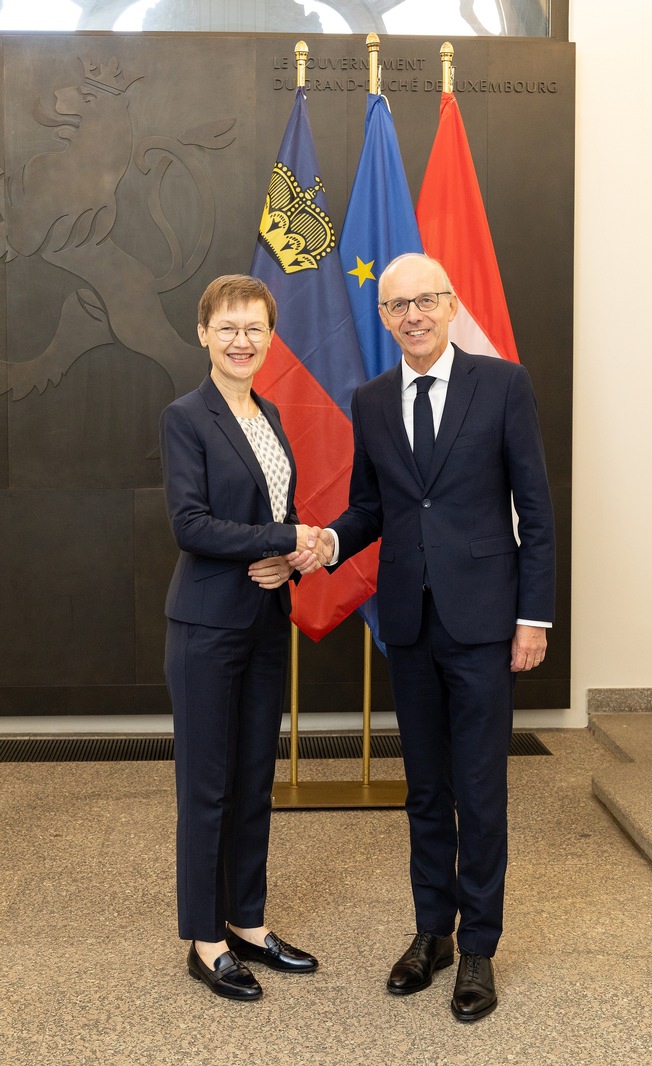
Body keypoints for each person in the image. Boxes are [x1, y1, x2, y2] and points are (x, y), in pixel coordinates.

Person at [293, 253, 555, 1022]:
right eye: (397, 304)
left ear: (449, 304)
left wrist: (532, 618)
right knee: (426, 791)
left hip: (485, 625)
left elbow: (535, 512)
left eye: (425, 301)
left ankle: (479, 949)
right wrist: (330, 544)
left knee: (480, 790)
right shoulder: (369, 399)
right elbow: (369, 507)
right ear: (383, 317)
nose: (412, 315)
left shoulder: (503, 385)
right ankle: (430, 935)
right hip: (408, 624)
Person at [160, 274, 320, 1001]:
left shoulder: (272, 414)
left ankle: (248, 922)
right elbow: (189, 524)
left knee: (255, 780)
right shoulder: (186, 416)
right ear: (204, 333)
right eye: (227, 327)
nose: (241, 340)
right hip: (204, 627)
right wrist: (282, 535)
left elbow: (273, 509)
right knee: (207, 787)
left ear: (270, 335)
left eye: (254, 328)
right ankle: (205, 939)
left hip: (263, 622)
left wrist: (292, 553)